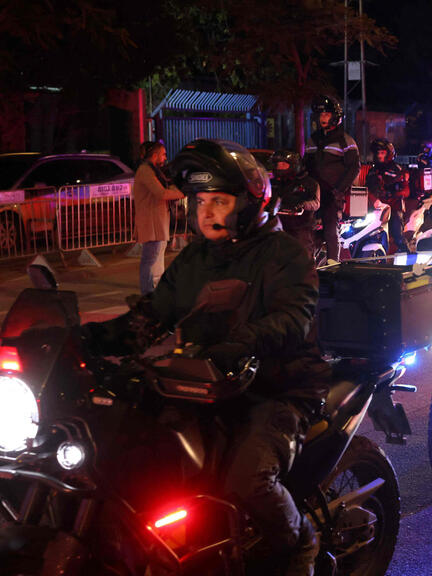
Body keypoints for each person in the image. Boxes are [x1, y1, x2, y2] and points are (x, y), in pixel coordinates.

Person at [90, 139, 327, 575]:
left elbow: (293, 319)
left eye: (220, 200)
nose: (207, 211)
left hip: (277, 388)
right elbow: (152, 316)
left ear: (250, 203)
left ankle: (300, 544)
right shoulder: (195, 258)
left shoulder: (285, 254)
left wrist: (241, 342)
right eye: (200, 201)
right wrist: (88, 339)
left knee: (247, 480)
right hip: (202, 385)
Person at [306, 95, 360, 263]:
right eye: (321, 115)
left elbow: (354, 167)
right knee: (304, 226)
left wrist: (339, 190)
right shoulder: (313, 139)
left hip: (332, 193)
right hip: (313, 193)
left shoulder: (346, 140)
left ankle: (332, 264)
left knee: (330, 228)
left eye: (327, 115)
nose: (323, 118)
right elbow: (305, 163)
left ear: (335, 117)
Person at [132, 141, 184, 294]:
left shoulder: (152, 171)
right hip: (151, 223)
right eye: (163, 154)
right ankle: (148, 293)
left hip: (157, 222)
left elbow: (166, 189)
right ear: (154, 155)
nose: (165, 158)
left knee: (156, 260)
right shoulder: (145, 171)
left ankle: (155, 292)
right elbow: (161, 193)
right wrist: (183, 193)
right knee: (151, 261)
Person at [270, 149, 320, 257]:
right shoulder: (273, 184)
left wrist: (303, 204)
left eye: (283, 164)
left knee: (303, 254)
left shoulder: (308, 183)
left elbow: (315, 203)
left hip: (300, 225)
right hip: (278, 225)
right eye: (278, 164)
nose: (280, 167)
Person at [366, 138, 409, 252]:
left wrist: (393, 193)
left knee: (398, 236)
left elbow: (406, 191)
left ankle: (407, 256)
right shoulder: (372, 171)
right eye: (378, 153)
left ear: (389, 153)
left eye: (382, 153)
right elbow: (367, 190)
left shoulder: (398, 170)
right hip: (376, 209)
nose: (379, 155)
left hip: (394, 208)